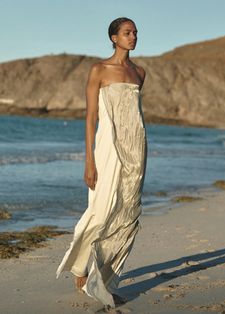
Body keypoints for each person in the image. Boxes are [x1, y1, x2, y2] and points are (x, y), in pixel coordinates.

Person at [56, 17, 147, 309]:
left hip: (136, 149)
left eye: (134, 32)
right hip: (107, 149)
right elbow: (91, 118)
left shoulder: (139, 73)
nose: (132, 36)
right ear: (113, 37)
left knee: (128, 213)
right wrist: (89, 160)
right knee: (100, 209)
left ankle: (105, 279)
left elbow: (134, 118)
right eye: (126, 32)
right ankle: (82, 266)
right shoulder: (99, 70)